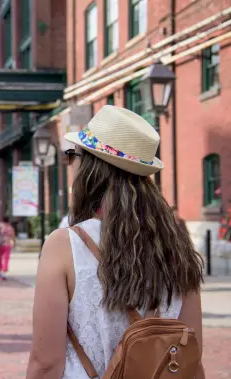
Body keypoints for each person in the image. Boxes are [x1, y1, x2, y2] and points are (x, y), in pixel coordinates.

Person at [26, 106, 205, 378]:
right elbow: (192, 352)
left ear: (90, 166)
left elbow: (46, 363)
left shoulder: (65, 246)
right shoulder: (177, 245)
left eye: (73, 155)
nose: (71, 164)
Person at [0, 216, 16, 281]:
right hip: (7, 245)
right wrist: (14, 243)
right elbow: (13, 236)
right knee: (6, 259)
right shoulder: (10, 227)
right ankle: (4, 273)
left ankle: (0, 271)